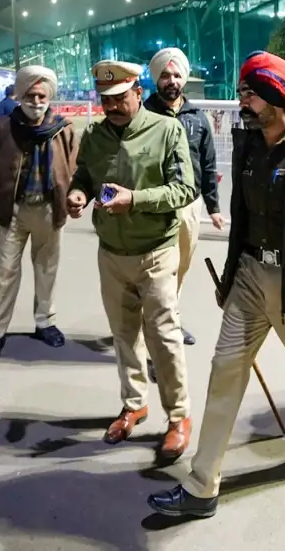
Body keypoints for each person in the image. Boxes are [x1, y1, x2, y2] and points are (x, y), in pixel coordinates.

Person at [147, 51, 285, 519]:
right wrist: (231, 277)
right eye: (243, 91)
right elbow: (241, 218)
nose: (242, 100)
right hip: (248, 279)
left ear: (277, 99)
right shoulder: (247, 142)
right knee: (225, 371)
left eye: (250, 93)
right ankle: (202, 487)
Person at [67, 59, 196, 462]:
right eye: (106, 100)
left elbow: (184, 190)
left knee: (164, 337)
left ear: (138, 93)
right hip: (112, 255)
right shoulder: (95, 135)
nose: (113, 106)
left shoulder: (166, 130)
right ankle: (134, 403)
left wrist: (135, 200)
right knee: (124, 335)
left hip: (156, 252)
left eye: (120, 98)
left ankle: (178, 417)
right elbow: (84, 176)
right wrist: (78, 194)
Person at [0, 67, 76, 364]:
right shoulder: (2, 128)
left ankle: (45, 322)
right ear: (20, 96)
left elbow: (73, 165)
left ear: (50, 98)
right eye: (31, 95)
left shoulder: (63, 129)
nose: (36, 100)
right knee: (3, 272)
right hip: (14, 210)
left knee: (47, 269)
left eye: (41, 95)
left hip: (49, 208)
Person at [144, 47, 224, 347]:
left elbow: (208, 164)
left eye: (177, 75)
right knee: (154, 270)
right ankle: (153, 331)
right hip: (152, 204)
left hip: (189, 207)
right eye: (165, 75)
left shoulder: (198, 119)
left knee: (180, 268)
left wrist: (213, 207)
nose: (171, 81)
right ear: (156, 79)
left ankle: (171, 321)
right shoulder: (143, 114)